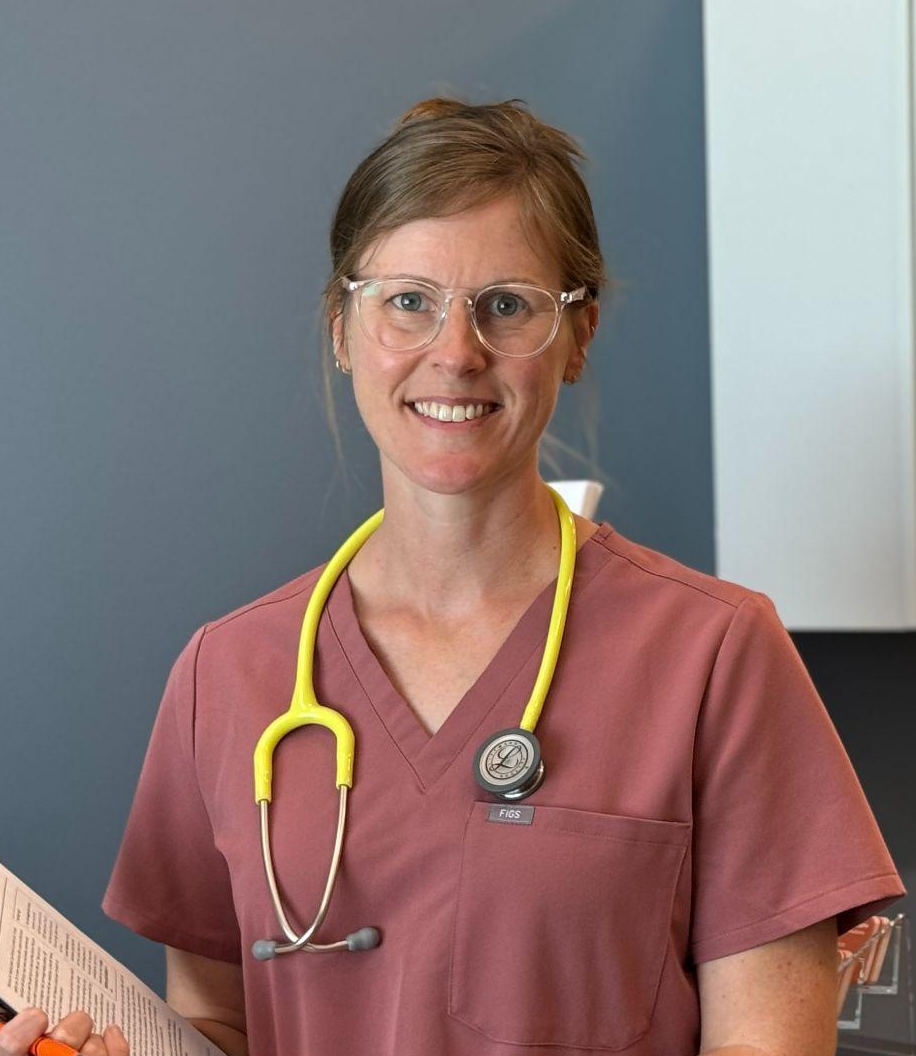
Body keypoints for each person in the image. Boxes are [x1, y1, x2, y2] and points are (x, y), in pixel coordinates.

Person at [3, 98, 905, 1056]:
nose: (456, 351)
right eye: (408, 301)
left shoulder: (715, 655)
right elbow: (219, 1023)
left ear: (580, 333)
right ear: (343, 328)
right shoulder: (226, 673)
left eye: (507, 304)